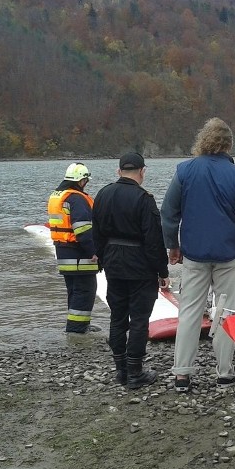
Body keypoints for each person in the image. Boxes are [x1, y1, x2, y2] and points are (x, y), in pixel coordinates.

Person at [161, 117, 235, 393]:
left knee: (190, 311)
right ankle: (225, 372)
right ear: (228, 144)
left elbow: (169, 214)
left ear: (202, 140)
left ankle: (182, 373)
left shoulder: (184, 171)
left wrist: (173, 245)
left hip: (194, 255)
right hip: (228, 256)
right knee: (225, 312)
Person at [93, 153, 170, 388]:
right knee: (139, 319)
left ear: (119, 172)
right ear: (142, 171)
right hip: (139, 265)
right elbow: (154, 240)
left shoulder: (103, 194)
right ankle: (135, 372)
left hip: (113, 263)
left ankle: (121, 370)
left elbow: (96, 233)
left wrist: (102, 262)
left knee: (117, 317)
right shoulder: (144, 199)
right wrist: (162, 272)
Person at [47, 163, 98, 334]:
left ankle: (76, 327)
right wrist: (93, 251)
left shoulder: (58, 196)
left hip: (63, 254)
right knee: (85, 292)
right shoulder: (77, 198)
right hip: (79, 255)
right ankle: (77, 331)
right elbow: (82, 229)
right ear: (82, 180)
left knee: (74, 291)